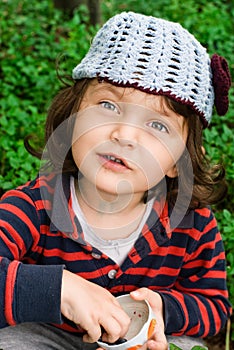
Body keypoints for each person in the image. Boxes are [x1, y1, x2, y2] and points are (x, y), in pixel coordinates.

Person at [0, 11, 232, 350]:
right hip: (49, 337)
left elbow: (214, 307)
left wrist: (163, 310)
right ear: (72, 115)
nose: (124, 134)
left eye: (157, 125)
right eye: (108, 104)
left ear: (179, 162)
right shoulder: (31, 209)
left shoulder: (193, 225)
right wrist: (60, 289)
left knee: (182, 343)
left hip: (140, 341)